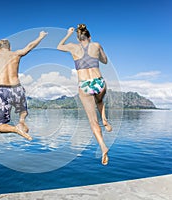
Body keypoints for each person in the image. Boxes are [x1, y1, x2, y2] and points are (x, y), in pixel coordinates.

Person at [57, 24, 112, 165]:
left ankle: (103, 147)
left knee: (93, 122)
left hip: (84, 85)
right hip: (99, 82)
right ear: (90, 37)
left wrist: (68, 33)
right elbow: (105, 61)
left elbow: (59, 46)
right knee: (99, 101)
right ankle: (105, 119)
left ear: (78, 38)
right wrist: (96, 54)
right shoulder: (96, 45)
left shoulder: (72, 47)